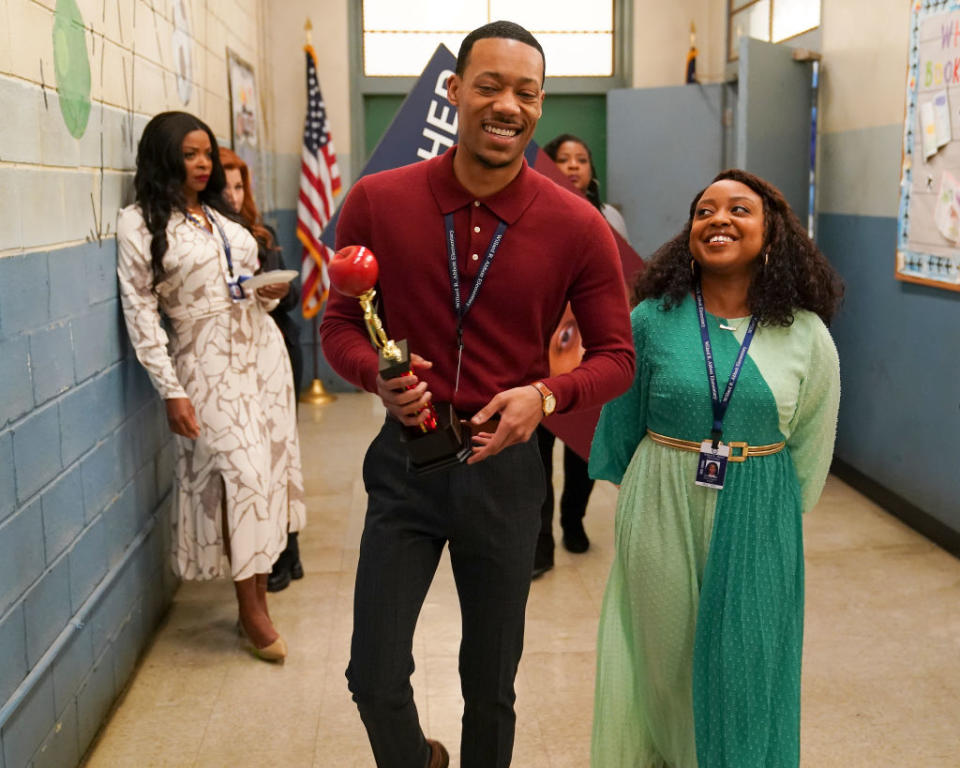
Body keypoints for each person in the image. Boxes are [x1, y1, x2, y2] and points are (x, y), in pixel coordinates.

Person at [320, 21, 634, 768]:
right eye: (489, 85)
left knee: (489, 684)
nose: (507, 105)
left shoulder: (576, 224)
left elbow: (617, 357)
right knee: (372, 674)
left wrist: (547, 397)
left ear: (540, 103)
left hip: (506, 471)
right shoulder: (379, 201)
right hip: (408, 463)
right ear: (454, 91)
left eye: (526, 92)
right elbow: (339, 327)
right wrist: (377, 376)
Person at [588, 169, 843, 767]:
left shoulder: (806, 335)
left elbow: (809, 441)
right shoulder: (650, 320)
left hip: (759, 508)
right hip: (660, 503)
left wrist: (774, 505)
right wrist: (650, 495)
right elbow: (622, 421)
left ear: (772, 234)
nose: (719, 219)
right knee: (667, 660)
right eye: (705, 211)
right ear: (690, 233)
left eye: (739, 210)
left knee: (747, 663)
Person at [117, 111, 306, 662]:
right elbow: (141, 312)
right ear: (163, 157)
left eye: (208, 153)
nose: (203, 164)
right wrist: (170, 389)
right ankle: (252, 610)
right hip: (204, 363)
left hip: (261, 352)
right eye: (190, 154)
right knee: (242, 474)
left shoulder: (219, 217)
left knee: (266, 475)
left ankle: (257, 586)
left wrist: (264, 294)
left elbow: (239, 284)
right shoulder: (139, 224)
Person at [531, 133, 629, 577]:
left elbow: (622, 284)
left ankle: (573, 521)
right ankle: (539, 539)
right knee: (536, 450)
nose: (572, 166)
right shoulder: (530, 211)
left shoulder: (610, 218)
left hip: (589, 353)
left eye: (581, 159)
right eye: (562, 159)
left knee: (584, 449)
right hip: (537, 351)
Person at [220, 146, 306, 593]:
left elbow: (291, 298)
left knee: (280, 454)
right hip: (234, 360)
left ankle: (286, 553)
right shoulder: (209, 238)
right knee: (252, 465)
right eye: (225, 186)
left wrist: (272, 291)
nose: (233, 195)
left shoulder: (261, 233)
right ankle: (260, 553)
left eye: (239, 185)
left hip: (277, 349)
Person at [543, 132, 629, 241]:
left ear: (590, 171)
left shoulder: (611, 216)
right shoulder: (535, 216)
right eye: (563, 160)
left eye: (582, 160)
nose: (574, 165)